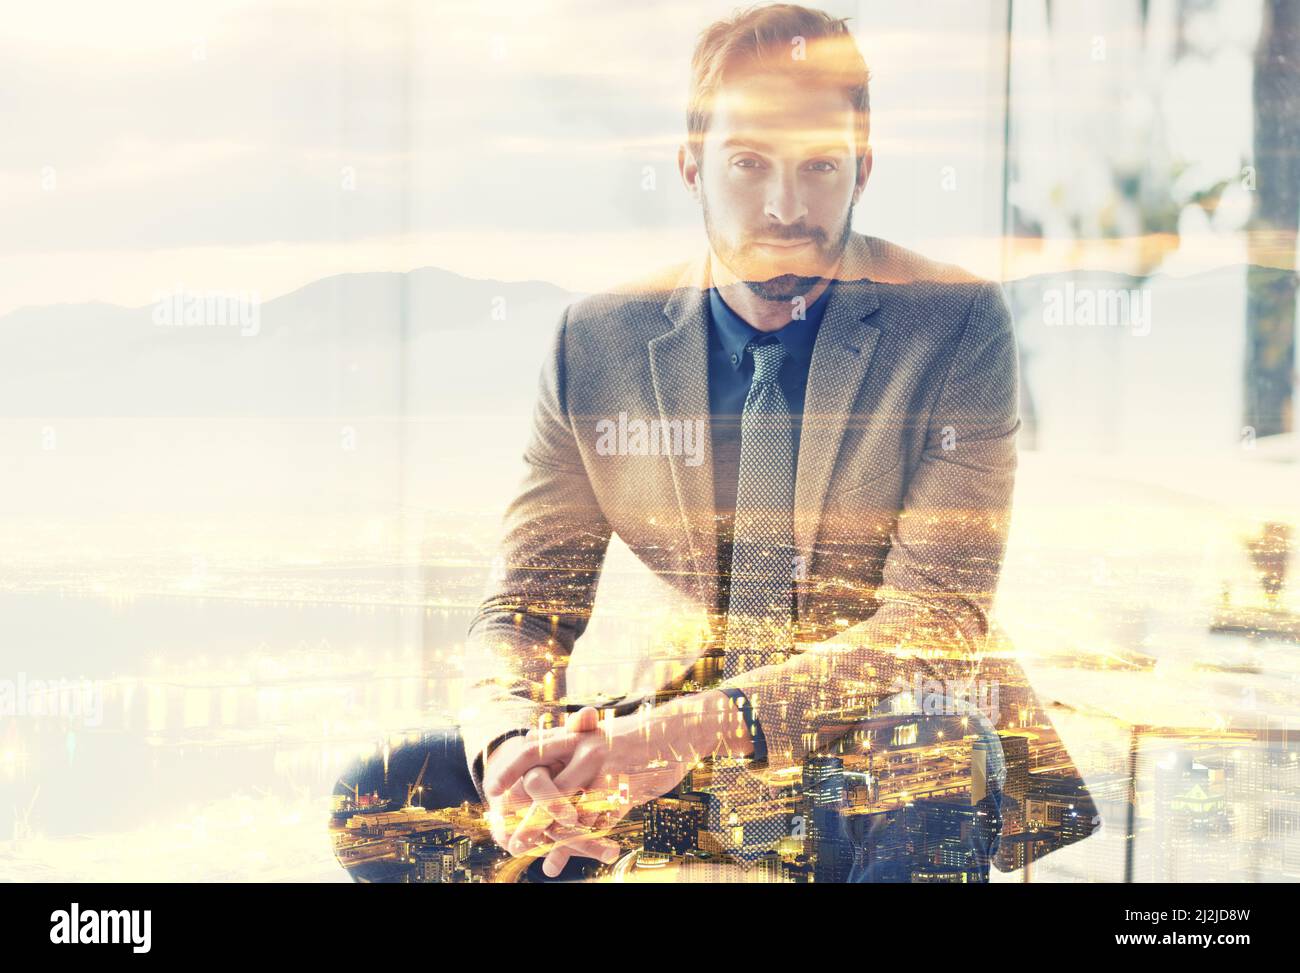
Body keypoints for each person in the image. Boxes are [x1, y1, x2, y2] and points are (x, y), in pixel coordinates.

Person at [336, 3, 1023, 883]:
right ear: (692, 165)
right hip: (667, 756)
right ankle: (585, 843)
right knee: (386, 792)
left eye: (820, 166)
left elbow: (937, 619)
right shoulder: (598, 340)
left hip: (861, 753)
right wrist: (508, 739)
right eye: (748, 164)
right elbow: (525, 607)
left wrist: (697, 725)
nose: (785, 206)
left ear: (864, 169)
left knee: (939, 744)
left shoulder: (954, 323)